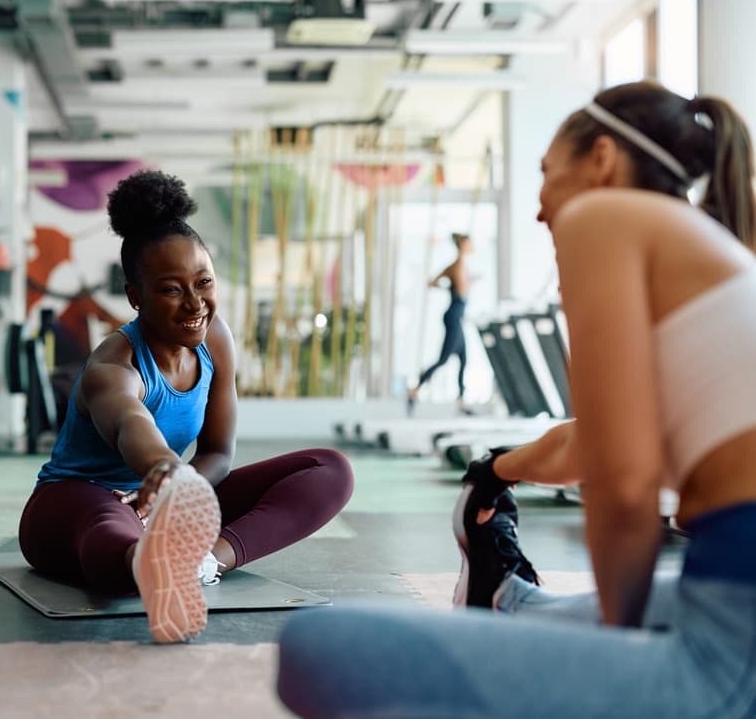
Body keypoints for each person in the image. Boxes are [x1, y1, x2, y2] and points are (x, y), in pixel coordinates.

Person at [277, 80, 756, 717]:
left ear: (604, 160)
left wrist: (614, 661)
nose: (538, 209)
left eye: (544, 173)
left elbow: (625, 485)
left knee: (318, 648)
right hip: (725, 592)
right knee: (548, 616)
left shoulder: (605, 217)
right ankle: (509, 598)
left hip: (734, 634)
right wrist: (495, 471)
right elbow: (590, 443)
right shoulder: (713, 253)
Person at [18, 170, 354, 644]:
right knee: (109, 526)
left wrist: (179, 490)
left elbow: (218, 452)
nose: (195, 303)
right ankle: (144, 562)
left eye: (204, 282)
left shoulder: (215, 342)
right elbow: (130, 421)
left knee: (330, 468)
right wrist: (164, 472)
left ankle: (201, 563)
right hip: (75, 503)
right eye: (172, 289)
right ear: (135, 296)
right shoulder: (112, 365)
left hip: (167, 500)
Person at [407, 232, 473, 414]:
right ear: (463, 245)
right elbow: (434, 283)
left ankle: (461, 400)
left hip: (457, 315)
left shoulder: (460, 266)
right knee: (444, 359)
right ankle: (415, 389)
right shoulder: (456, 266)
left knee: (463, 358)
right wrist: (449, 287)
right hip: (453, 314)